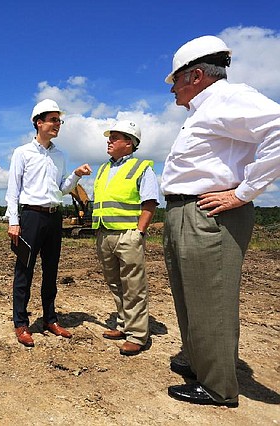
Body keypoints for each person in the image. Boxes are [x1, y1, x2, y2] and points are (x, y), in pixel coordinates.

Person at [162, 35, 280, 407]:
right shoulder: (205, 108)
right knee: (190, 296)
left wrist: (243, 193)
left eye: (176, 80)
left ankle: (217, 387)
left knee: (211, 298)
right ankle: (200, 361)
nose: (173, 90)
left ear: (196, 75)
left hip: (209, 214)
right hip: (186, 211)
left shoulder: (229, 98)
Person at [5, 99, 92, 347]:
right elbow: (13, 190)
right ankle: (21, 323)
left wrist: (75, 175)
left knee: (51, 272)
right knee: (24, 271)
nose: (57, 125)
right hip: (30, 217)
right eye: (53, 120)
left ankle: (49, 319)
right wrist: (14, 221)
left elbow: (62, 189)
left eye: (59, 120)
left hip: (54, 217)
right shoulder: (22, 153)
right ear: (38, 122)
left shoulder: (59, 155)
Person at [91, 120, 159, 356]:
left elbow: (149, 202)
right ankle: (123, 325)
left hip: (127, 235)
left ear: (129, 143)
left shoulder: (142, 168)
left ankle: (137, 335)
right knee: (115, 283)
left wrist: (139, 232)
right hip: (104, 234)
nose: (109, 141)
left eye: (115, 137)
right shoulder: (103, 169)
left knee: (133, 286)